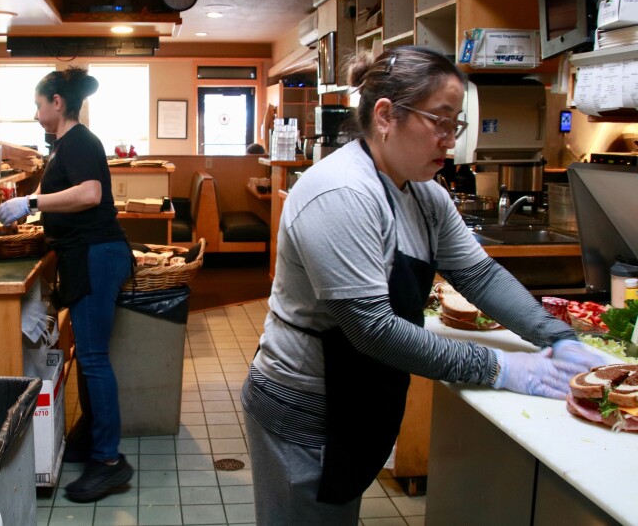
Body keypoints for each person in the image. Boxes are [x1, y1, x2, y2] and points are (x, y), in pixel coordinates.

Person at [240, 46, 609, 525]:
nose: (449, 142)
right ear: (386, 114)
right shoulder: (341, 193)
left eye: (453, 125)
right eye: (439, 121)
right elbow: (371, 329)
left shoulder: (425, 194)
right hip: (306, 406)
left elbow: (479, 275)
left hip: (359, 394)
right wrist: (498, 367)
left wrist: (555, 335)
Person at [0, 67, 134, 503]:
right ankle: (93, 440)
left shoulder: (80, 142)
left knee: (93, 359)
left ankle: (109, 462)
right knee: (90, 357)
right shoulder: (65, 145)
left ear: (57, 102)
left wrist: (30, 201)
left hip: (95, 254)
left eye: (38, 105)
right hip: (85, 254)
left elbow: (91, 194)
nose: (35, 114)